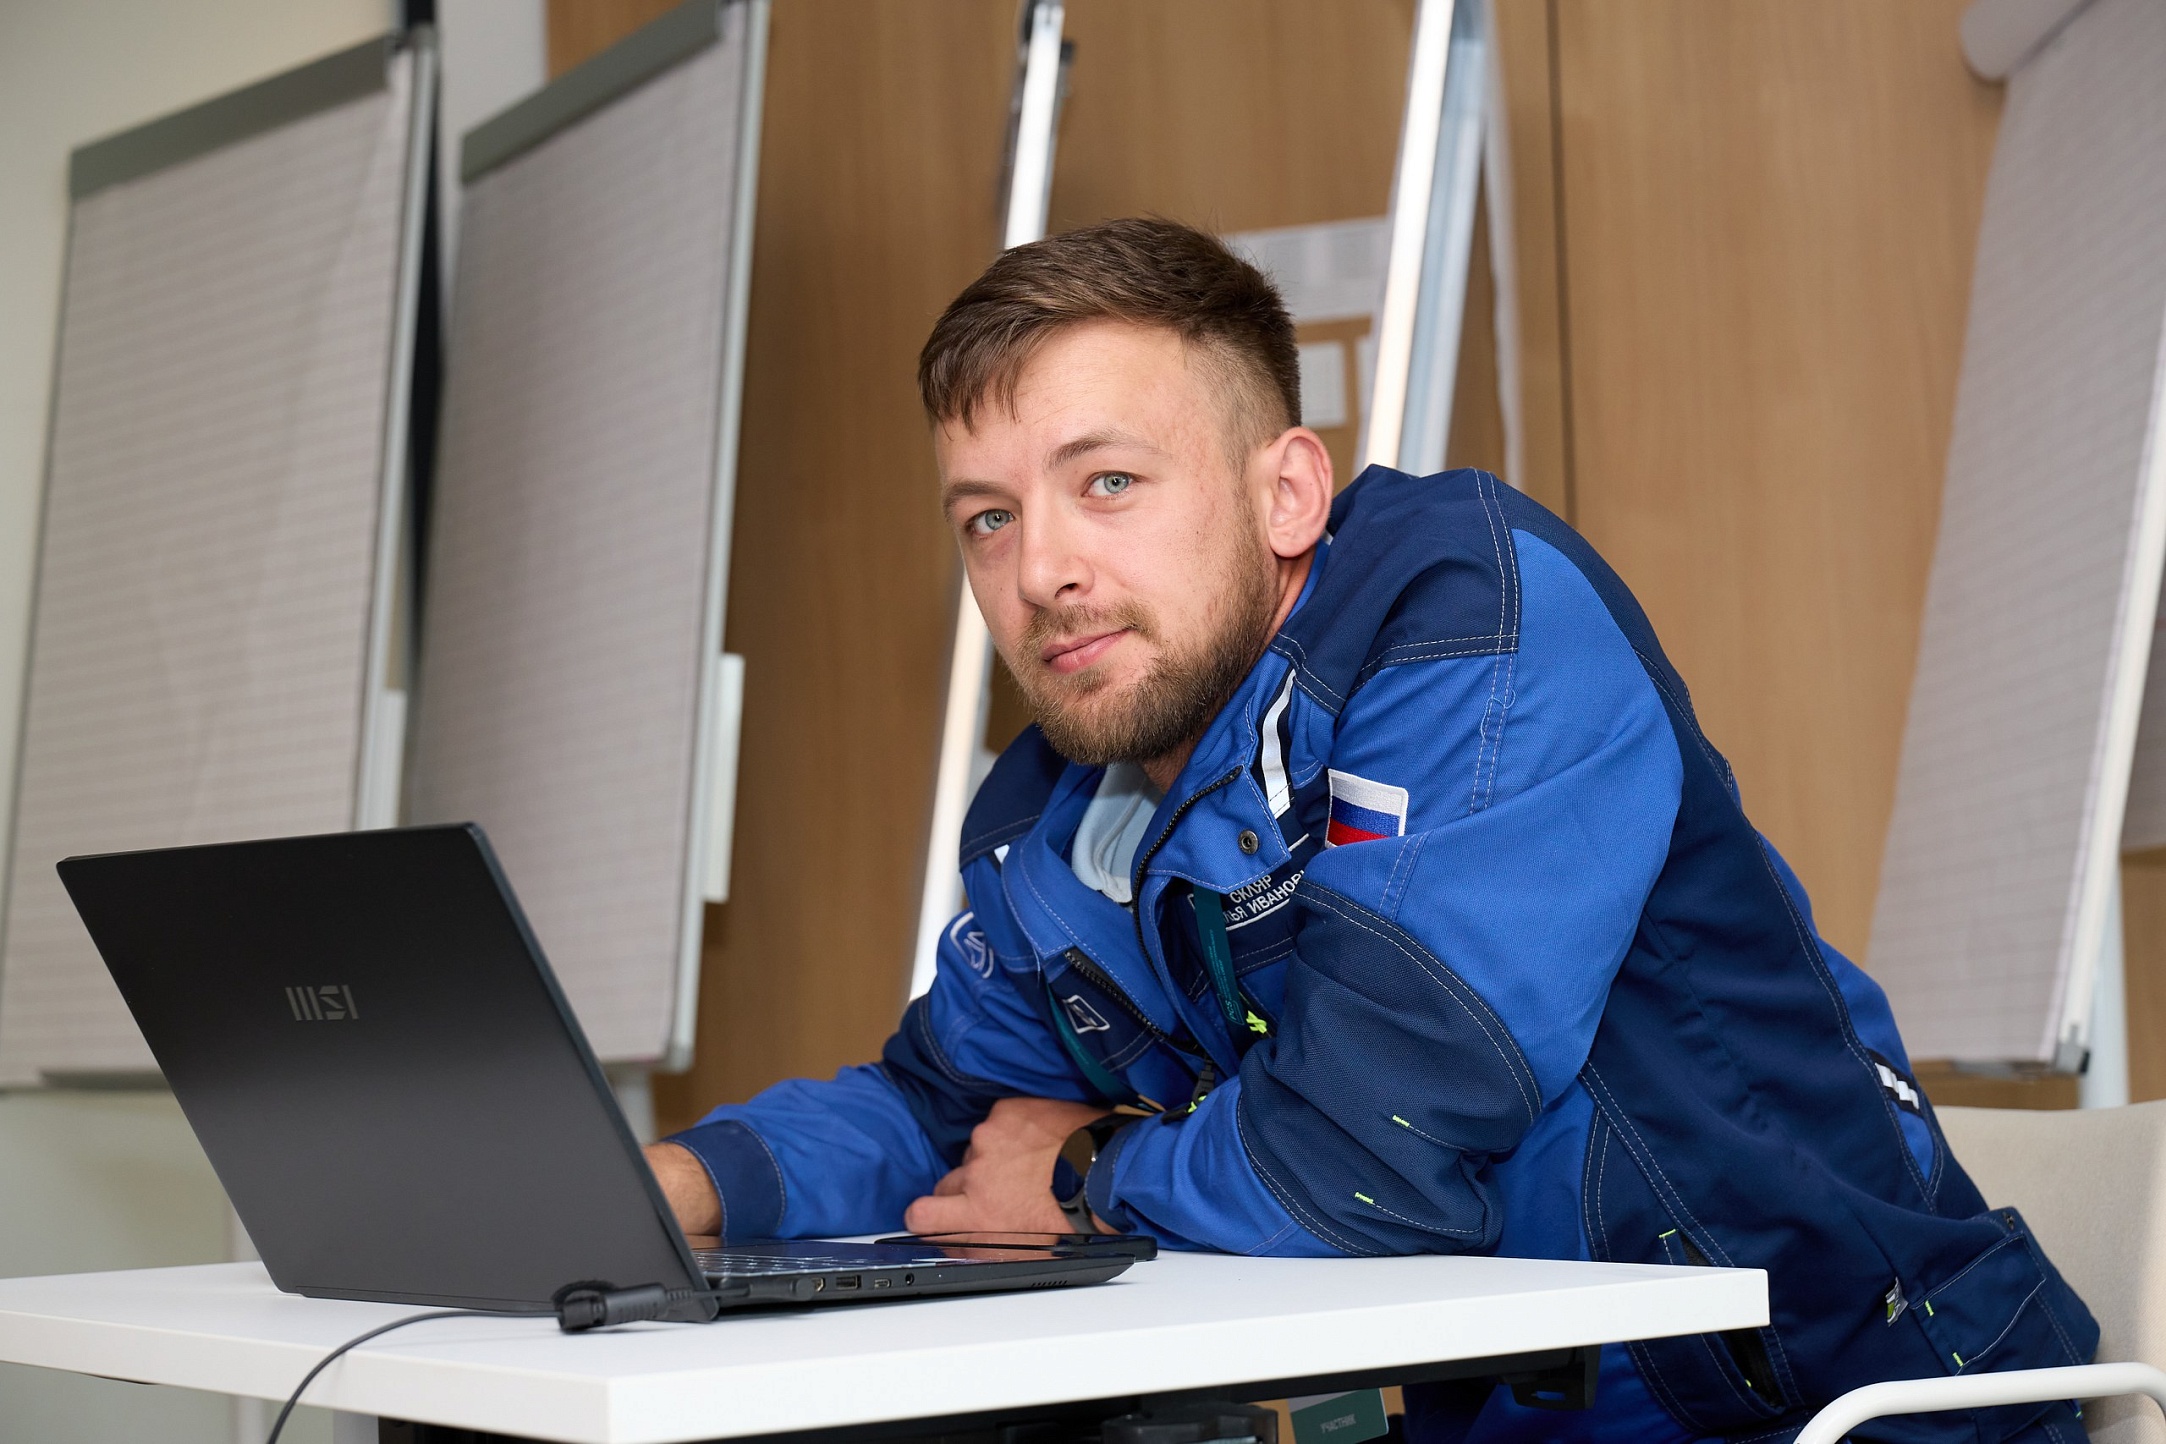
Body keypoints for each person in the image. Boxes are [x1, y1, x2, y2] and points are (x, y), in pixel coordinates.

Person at [643, 218, 2094, 1442]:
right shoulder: (1056, 814)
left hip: (1863, 1407)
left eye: (1107, 483)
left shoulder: (1470, 627)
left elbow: (1366, 1162)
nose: (1041, 571)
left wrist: (1083, 1174)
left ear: (1287, 493)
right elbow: (943, 1113)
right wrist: (682, 1186)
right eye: (987, 519)